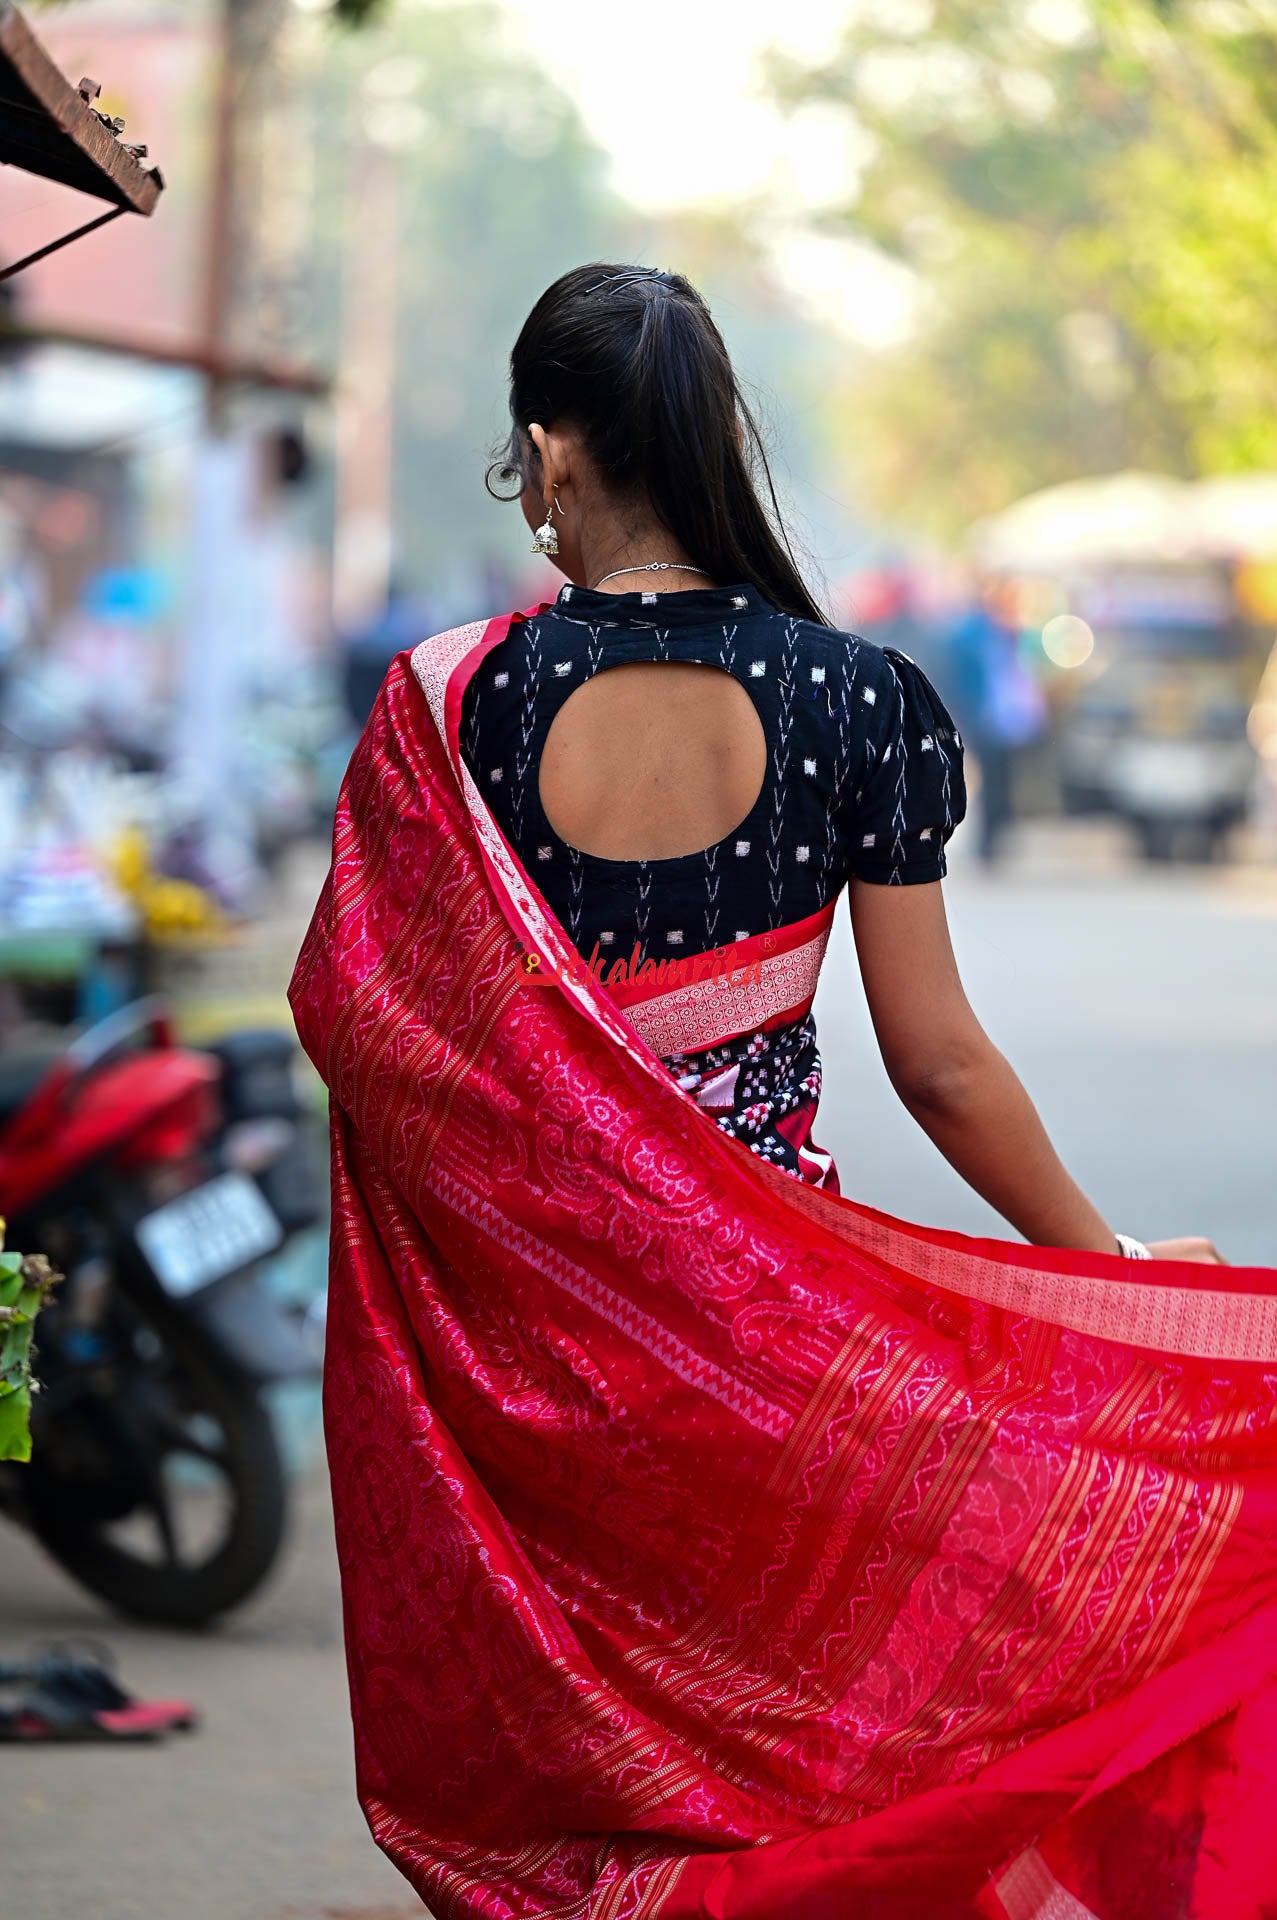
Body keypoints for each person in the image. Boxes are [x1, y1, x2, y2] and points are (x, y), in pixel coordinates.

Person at [290, 265, 1277, 1920]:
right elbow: (939, 1063)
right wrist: (1105, 1271)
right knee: (792, 1765)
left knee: (582, 1779)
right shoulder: (857, 698)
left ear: (552, 453)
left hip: (530, 1374)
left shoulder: (442, 704)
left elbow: (374, 1037)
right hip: (781, 1361)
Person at [947, 575, 1047, 864]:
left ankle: (999, 839)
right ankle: (988, 843)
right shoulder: (972, 632)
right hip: (985, 716)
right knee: (991, 780)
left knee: (1005, 780)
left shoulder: (1011, 631)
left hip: (1011, 718)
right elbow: (962, 674)